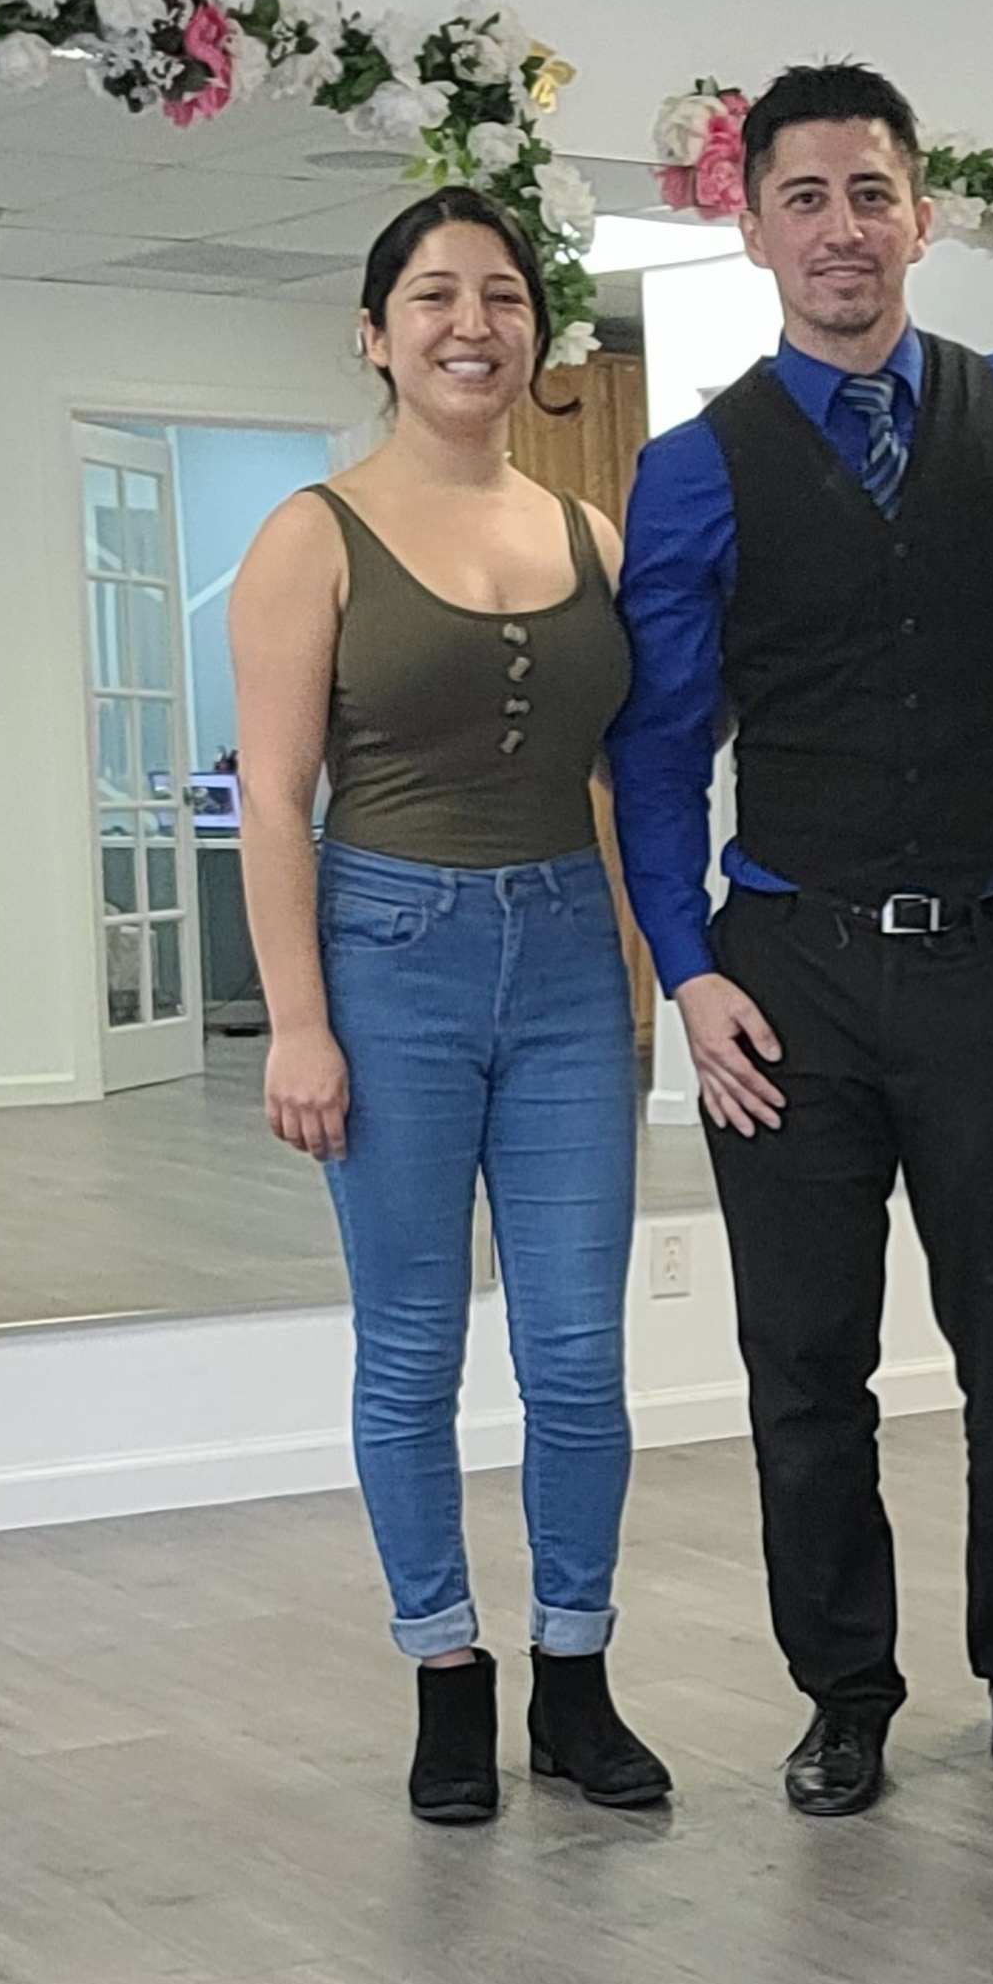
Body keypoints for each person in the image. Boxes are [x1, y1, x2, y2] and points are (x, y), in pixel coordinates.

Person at [610, 62, 993, 1820]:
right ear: (749, 227)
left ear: (923, 215)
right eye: (804, 196)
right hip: (788, 972)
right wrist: (692, 970)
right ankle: (846, 1690)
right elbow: (656, 753)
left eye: (870, 192)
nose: (841, 228)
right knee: (804, 1363)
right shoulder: (692, 473)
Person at [232, 188, 670, 1827]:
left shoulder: (589, 538)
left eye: (499, 295)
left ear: (535, 337)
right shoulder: (309, 534)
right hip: (385, 955)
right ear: (375, 332)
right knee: (411, 1351)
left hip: (568, 959)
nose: (470, 322)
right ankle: (444, 1674)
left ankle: (575, 1674)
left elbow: (642, 773)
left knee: (576, 1354)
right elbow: (275, 801)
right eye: (433, 295)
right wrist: (298, 1020)